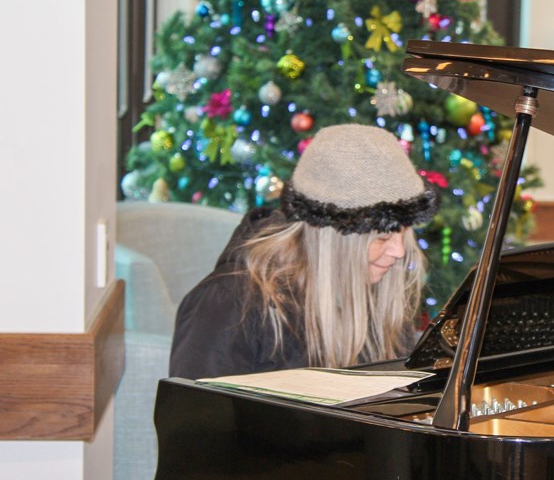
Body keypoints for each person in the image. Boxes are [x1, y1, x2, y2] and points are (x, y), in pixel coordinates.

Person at [169, 124, 439, 379]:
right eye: (382, 238)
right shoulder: (231, 305)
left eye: (404, 232)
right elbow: (198, 425)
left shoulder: (379, 291)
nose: (399, 252)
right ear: (335, 240)